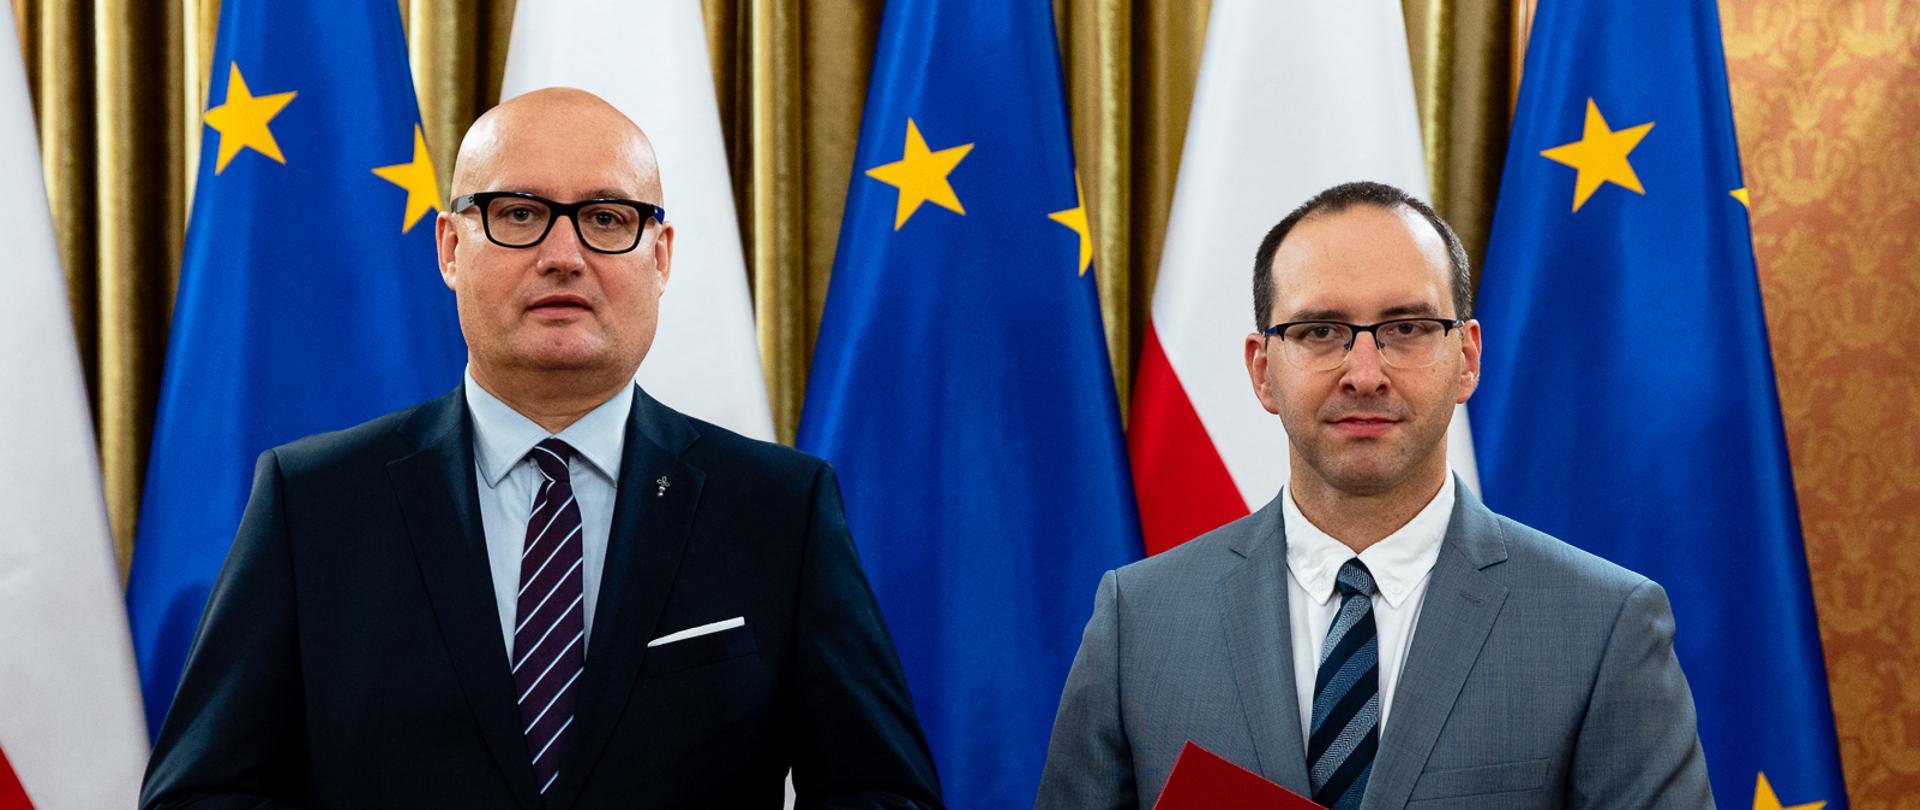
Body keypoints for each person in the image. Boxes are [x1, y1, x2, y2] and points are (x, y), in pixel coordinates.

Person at [141, 87, 942, 809]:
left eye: (606, 218)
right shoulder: (312, 502)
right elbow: (202, 793)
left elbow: (884, 793)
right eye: (519, 214)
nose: (564, 255)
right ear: (451, 248)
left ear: (661, 256)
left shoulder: (780, 509)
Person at [1034, 181, 1711, 809]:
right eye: (1319, 331)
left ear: (1467, 358)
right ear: (1263, 371)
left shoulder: (1604, 626)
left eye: (1407, 328)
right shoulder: (1138, 622)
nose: (1364, 373)